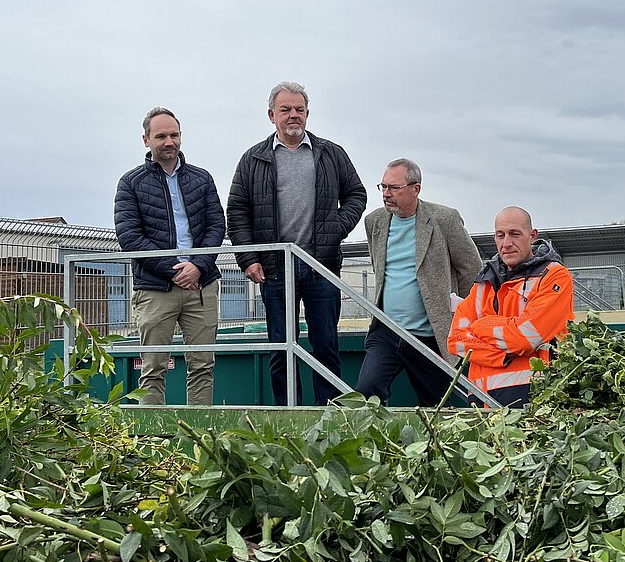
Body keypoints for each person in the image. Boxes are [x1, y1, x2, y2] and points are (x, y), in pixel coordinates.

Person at [226, 81, 367, 405]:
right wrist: (248, 259)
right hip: (275, 269)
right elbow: (237, 211)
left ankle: (329, 417)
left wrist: (336, 229)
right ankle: (288, 417)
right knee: (281, 348)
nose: (293, 116)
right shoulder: (253, 159)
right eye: (286, 110)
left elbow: (356, 194)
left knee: (327, 347)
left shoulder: (331, 153)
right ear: (271, 114)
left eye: (299, 110)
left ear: (307, 114)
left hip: (322, 266)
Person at [114, 107, 226, 406]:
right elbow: (130, 236)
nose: (169, 141)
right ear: (146, 140)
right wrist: (174, 270)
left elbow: (217, 226)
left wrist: (198, 267)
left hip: (201, 286)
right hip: (155, 287)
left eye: (174, 135)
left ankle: (201, 438)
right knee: (153, 368)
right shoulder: (131, 183)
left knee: (203, 365)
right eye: (161, 135)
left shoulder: (202, 179)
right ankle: (152, 443)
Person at [355, 158, 483, 406]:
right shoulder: (375, 222)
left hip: (430, 335)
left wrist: (464, 320)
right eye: (383, 187)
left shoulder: (444, 219)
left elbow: (471, 270)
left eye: (394, 188)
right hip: (387, 331)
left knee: (437, 406)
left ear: (416, 189)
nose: (386, 194)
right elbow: (379, 268)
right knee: (367, 391)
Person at [447, 206, 574, 407]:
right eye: (500, 235)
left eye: (515, 234)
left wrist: (480, 326)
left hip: (533, 398)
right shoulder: (484, 283)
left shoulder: (554, 276)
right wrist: (505, 353)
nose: (506, 243)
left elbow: (524, 338)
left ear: (532, 236)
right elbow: (456, 341)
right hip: (481, 401)